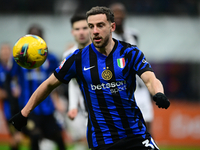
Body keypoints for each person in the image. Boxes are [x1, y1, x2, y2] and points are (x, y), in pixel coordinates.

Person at [9, 6, 170, 150]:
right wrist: (24, 113)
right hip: (103, 140)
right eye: (91, 26)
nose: (94, 31)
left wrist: (158, 93)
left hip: (136, 135)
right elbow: (48, 84)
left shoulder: (129, 53)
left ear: (112, 26)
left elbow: (150, 78)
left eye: (100, 25)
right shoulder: (77, 59)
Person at [11, 24, 66, 150]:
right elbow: (10, 77)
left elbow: (55, 81)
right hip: (28, 107)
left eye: (38, 37)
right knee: (35, 135)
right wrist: (15, 87)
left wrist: (57, 100)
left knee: (58, 137)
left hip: (47, 108)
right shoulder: (19, 58)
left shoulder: (51, 58)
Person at [110, 2, 154, 133]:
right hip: (121, 87)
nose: (118, 15)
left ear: (125, 15)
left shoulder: (133, 34)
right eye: (114, 13)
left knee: (147, 125)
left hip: (139, 87)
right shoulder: (108, 38)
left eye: (120, 12)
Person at [62, 13, 91, 150]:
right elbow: (73, 83)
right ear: (72, 32)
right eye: (77, 29)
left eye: (85, 28)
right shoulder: (68, 56)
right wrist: (72, 106)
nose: (81, 32)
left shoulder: (103, 51)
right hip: (86, 111)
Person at [0, 43, 21, 150]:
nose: (5, 53)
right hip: (9, 107)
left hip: (20, 104)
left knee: (18, 138)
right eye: (3, 51)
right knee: (16, 137)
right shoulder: (0, 69)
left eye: (7, 51)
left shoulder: (16, 66)